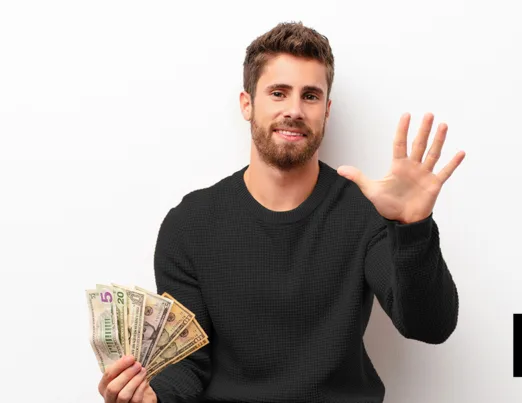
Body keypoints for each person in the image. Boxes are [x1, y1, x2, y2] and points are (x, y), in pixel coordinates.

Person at [97, 21, 465, 403]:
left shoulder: (364, 212)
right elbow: (188, 363)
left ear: (326, 109)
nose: (294, 110)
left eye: (310, 96)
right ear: (247, 104)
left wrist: (413, 228)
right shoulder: (190, 224)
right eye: (278, 92)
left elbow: (430, 326)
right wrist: (152, 399)